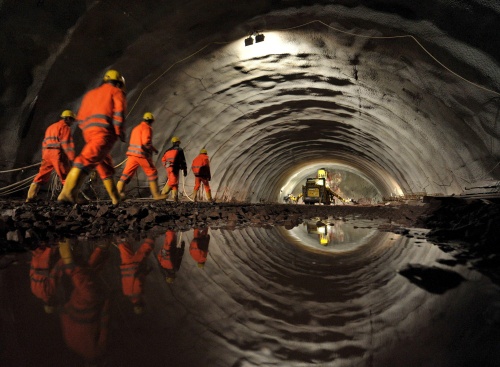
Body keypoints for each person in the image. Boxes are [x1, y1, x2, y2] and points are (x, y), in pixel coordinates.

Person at [57, 69, 127, 205]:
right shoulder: (117, 92)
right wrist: (120, 131)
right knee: (84, 160)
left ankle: (116, 198)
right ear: (118, 83)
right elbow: (119, 113)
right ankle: (67, 194)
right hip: (104, 133)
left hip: (89, 133)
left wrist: (89, 130)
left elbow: (80, 117)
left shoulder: (91, 94)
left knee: (105, 166)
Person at [58, 238, 110, 365]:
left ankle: (66, 249)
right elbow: (64, 317)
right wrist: (69, 304)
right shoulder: (71, 345)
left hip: (89, 305)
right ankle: (96, 249)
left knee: (81, 277)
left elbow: (104, 326)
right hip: (75, 303)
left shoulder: (96, 352)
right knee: (87, 277)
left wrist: (106, 304)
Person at [26, 110, 76, 202]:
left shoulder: (51, 127)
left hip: (47, 154)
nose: (72, 123)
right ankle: (66, 197)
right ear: (68, 118)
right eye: (72, 120)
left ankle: (31, 196)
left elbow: (44, 142)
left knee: (42, 175)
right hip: (57, 154)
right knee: (66, 176)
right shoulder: (65, 127)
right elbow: (66, 144)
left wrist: (45, 155)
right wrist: (72, 158)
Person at [116, 112, 166, 200]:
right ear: (151, 121)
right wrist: (150, 150)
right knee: (152, 173)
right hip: (141, 155)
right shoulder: (147, 128)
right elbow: (145, 142)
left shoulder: (136, 128)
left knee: (126, 174)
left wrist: (154, 149)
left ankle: (119, 193)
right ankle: (156, 195)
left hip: (132, 155)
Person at [118, 237, 154, 314]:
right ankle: (119, 235)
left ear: (141, 303)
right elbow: (129, 279)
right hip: (126, 266)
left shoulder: (138, 293)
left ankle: (152, 234)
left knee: (146, 249)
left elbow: (138, 280)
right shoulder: (126, 293)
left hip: (135, 266)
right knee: (124, 247)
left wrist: (145, 272)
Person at [29, 241, 63, 313]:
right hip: (36, 260)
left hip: (46, 262)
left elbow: (53, 274)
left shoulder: (51, 293)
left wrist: (62, 261)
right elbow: (31, 274)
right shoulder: (34, 292)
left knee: (52, 240)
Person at [160, 136, 187, 202]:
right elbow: (183, 160)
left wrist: (166, 165)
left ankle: (175, 198)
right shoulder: (179, 150)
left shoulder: (167, 150)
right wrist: (184, 169)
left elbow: (163, 159)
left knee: (175, 183)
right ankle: (163, 194)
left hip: (168, 168)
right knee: (173, 181)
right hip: (174, 168)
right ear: (177, 142)